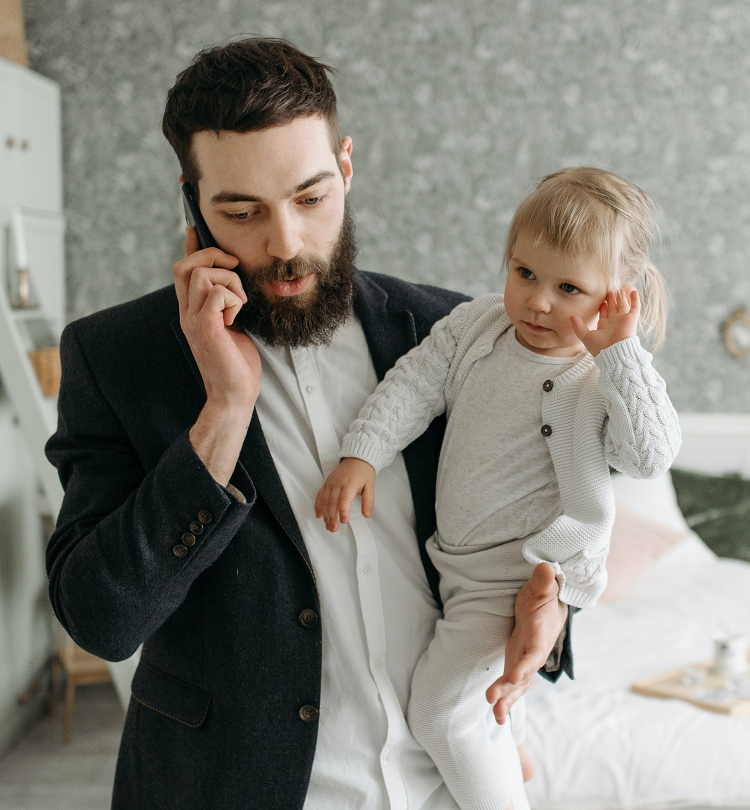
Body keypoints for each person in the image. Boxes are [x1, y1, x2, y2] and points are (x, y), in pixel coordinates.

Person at [45, 38, 572, 810]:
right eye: (242, 211)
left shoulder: (454, 332)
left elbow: (534, 512)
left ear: (346, 167)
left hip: (445, 786)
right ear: (192, 201)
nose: (286, 244)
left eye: (312, 197)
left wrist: (554, 605)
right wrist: (222, 413)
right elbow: (102, 619)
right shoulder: (114, 356)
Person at [316, 167, 682, 810]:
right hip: (454, 565)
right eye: (524, 274)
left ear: (614, 298)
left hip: (521, 575)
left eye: (568, 287)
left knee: (439, 714)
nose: (539, 301)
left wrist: (621, 352)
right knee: (467, 699)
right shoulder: (475, 326)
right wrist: (364, 452)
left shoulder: (600, 378)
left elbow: (650, 455)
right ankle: (504, 742)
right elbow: (413, 384)